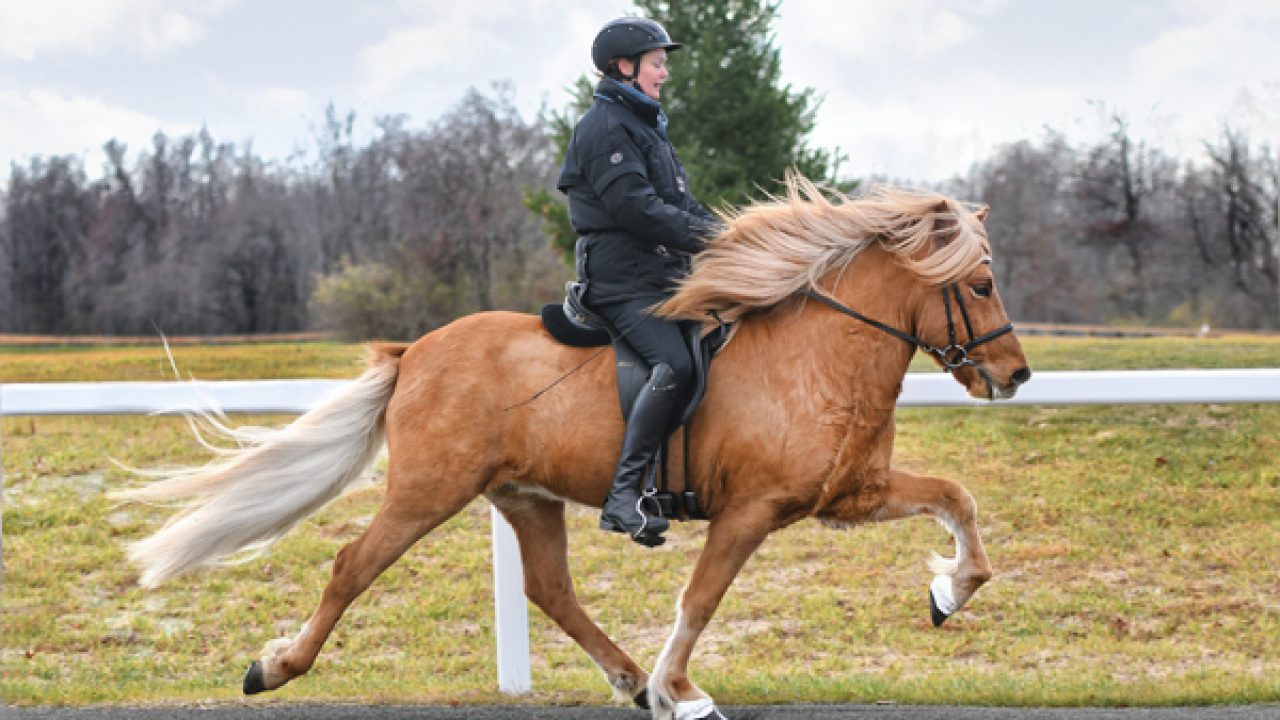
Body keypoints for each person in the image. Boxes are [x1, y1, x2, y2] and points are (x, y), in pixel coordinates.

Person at [556, 17, 722, 547]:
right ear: (624, 67)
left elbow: (677, 205)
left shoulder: (647, 127)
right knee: (672, 364)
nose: (664, 73)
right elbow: (636, 209)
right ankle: (624, 494)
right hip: (624, 281)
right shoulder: (605, 126)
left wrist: (728, 234)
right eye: (657, 63)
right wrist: (708, 240)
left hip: (662, 276)